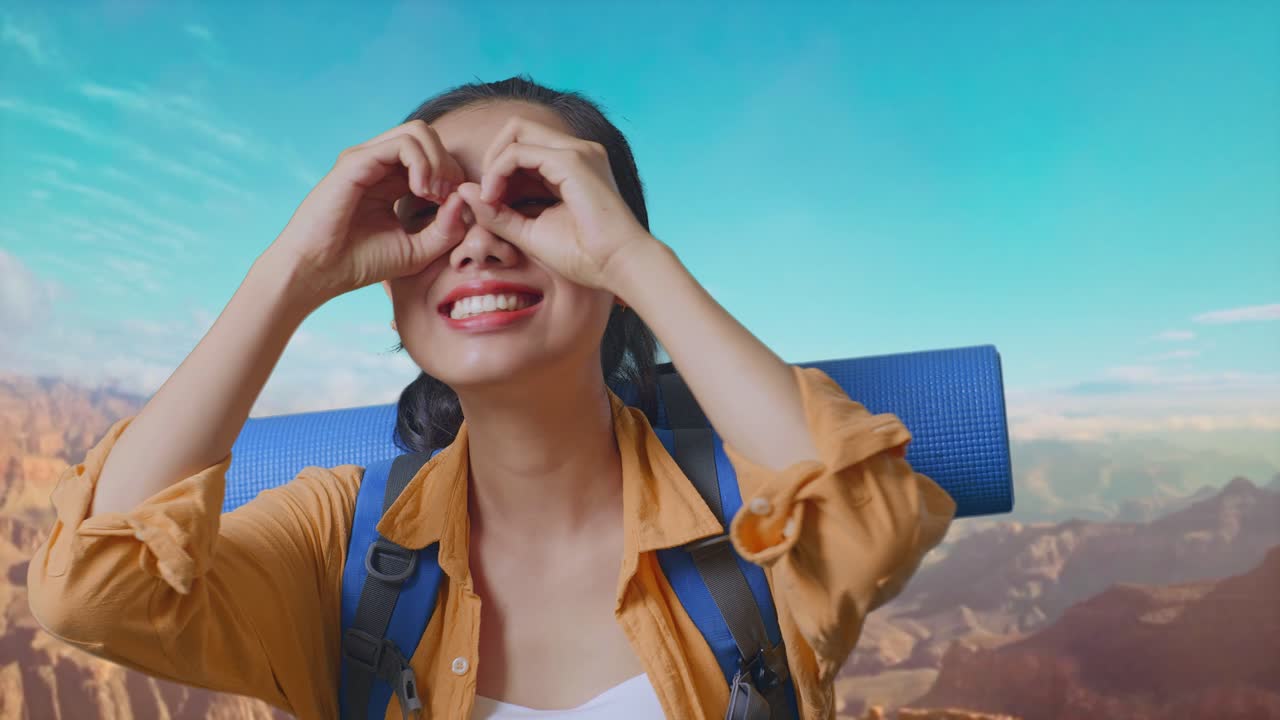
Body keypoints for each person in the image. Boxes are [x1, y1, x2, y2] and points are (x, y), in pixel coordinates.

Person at [26, 75, 957, 719]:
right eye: (427, 211)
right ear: (394, 287)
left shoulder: (749, 520)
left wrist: (635, 260)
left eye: (532, 196)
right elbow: (94, 595)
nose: (475, 239)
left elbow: (871, 519)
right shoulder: (340, 542)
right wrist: (295, 270)